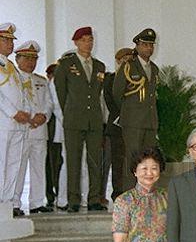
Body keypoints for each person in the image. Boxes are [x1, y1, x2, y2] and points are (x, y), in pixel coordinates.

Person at [53, 26, 107, 212]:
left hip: (94, 120)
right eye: (84, 40)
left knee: (94, 161)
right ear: (76, 42)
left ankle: (94, 199)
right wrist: (70, 110)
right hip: (74, 119)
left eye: (91, 39)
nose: (88, 43)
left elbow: (98, 94)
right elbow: (61, 92)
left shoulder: (100, 66)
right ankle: (73, 200)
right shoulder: (67, 65)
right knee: (73, 161)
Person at [112, 28, 160, 191]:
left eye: (151, 45)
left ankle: (147, 191)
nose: (149, 48)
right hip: (133, 121)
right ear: (137, 46)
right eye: (145, 45)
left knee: (149, 159)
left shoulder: (154, 68)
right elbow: (117, 94)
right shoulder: (128, 66)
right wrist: (130, 112)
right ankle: (130, 193)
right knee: (133, 158)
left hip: (150, 120)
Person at [12, 41, 52, 215]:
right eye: (27, 58)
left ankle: (36, 202)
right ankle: (14, 203)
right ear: (18, 59)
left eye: (34, 58)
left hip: (39, 130)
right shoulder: (13, 79)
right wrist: (28, 118)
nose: (31, 62)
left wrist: (44, 115)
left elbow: (49, 103)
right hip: (21, 130)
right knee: (17, 168)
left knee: (38, 167)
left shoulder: (41, 81)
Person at [0, 23, 32, 214]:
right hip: (4, 123)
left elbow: (22, 93)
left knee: (14, 164)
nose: (10, 44)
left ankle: (8, 203)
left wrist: (26, 113)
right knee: (2, 163)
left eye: (11, 41)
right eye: (5, 40)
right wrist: (14, 113)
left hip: (18, 124)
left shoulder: (11, 65)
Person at [103, 47, 134, 200]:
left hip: (135, 126)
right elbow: (110, 101)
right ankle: (118, 193)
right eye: (124, 60)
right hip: (117, 126)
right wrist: (124, 117)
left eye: (130, 60)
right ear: (118, 61)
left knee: (133, 159)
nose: (127, 63)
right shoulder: (111, 78)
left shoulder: (136, 79)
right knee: (117, 161)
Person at [45, 63, 63, 209]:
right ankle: (51, 194)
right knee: (52, 163)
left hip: (66, 130)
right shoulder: (50, 85)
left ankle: (61, 192)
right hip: (53, 130)